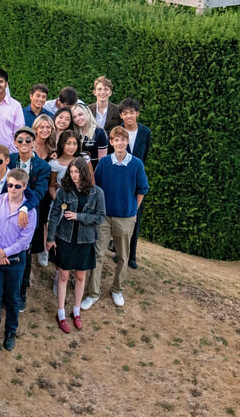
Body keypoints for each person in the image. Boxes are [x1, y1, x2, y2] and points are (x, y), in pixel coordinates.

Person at [88, 126, 149, 309]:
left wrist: (134, 209)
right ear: (112, 143)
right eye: (116, 140)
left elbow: (142, 189)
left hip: (126, 217)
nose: (120, 143)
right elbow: (96, 186)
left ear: (127, 142)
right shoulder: (105, 162)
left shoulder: (136, 164)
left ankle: (117, 289)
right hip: (105, 216)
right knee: (98, 254)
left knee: (123, 256)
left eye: (123, 140)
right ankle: (93, 292)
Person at [46, 157, 105, 332]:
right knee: (63, 277)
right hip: (65, 238)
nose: (73, 175)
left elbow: (100, 217)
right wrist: (50, 238)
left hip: (85, 240)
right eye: (71, 172)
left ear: (84, 172)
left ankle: (77, 311)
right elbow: (55, 213)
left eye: (77, 172)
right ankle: (62, 313)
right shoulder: (64, 191)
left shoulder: (97, 192)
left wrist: (78, 216)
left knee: (80, 277)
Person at [0, 169, 37, 351]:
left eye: (17, 186)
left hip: (15, 260)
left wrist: (5, 253)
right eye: (9, 185)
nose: (12, 189)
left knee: (13, 298)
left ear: (24, 187)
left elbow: (25, 241)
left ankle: (11, 331)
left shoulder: (31, 211)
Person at [9, 125, 52, 310]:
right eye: (20, 140)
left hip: (30, 215)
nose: (24, 143)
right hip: (8, 215)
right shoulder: (9, 160)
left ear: (34, 143)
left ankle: (21, 293)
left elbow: (40, 192)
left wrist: (24, 207)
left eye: (28, 140)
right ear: (15, 143)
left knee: (24, 256)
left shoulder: (43, 167)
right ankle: (7, 293)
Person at [119, 98, 151, 269]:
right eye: (125, 113)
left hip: (136, 179)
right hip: (120, 179)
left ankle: (131, 255)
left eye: (132, 112)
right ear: (121, 115)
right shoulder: (117, 132)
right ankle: (119, 252)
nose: (129, 115)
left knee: (135, 216)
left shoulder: (145, 133)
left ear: (137, 113)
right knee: (118, 217)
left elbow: (144, 156)